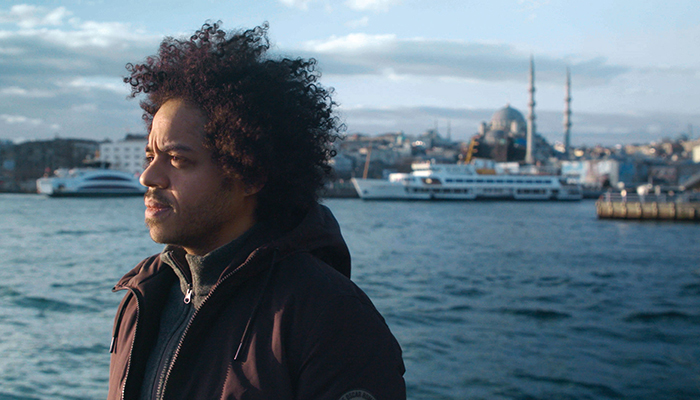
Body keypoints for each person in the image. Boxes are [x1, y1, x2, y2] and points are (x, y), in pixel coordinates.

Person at [107, 22, 406, 400]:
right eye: (150, 156)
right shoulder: (142, 296)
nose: (148, 176)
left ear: (249, 174)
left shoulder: (329, 318)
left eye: (178, 159)